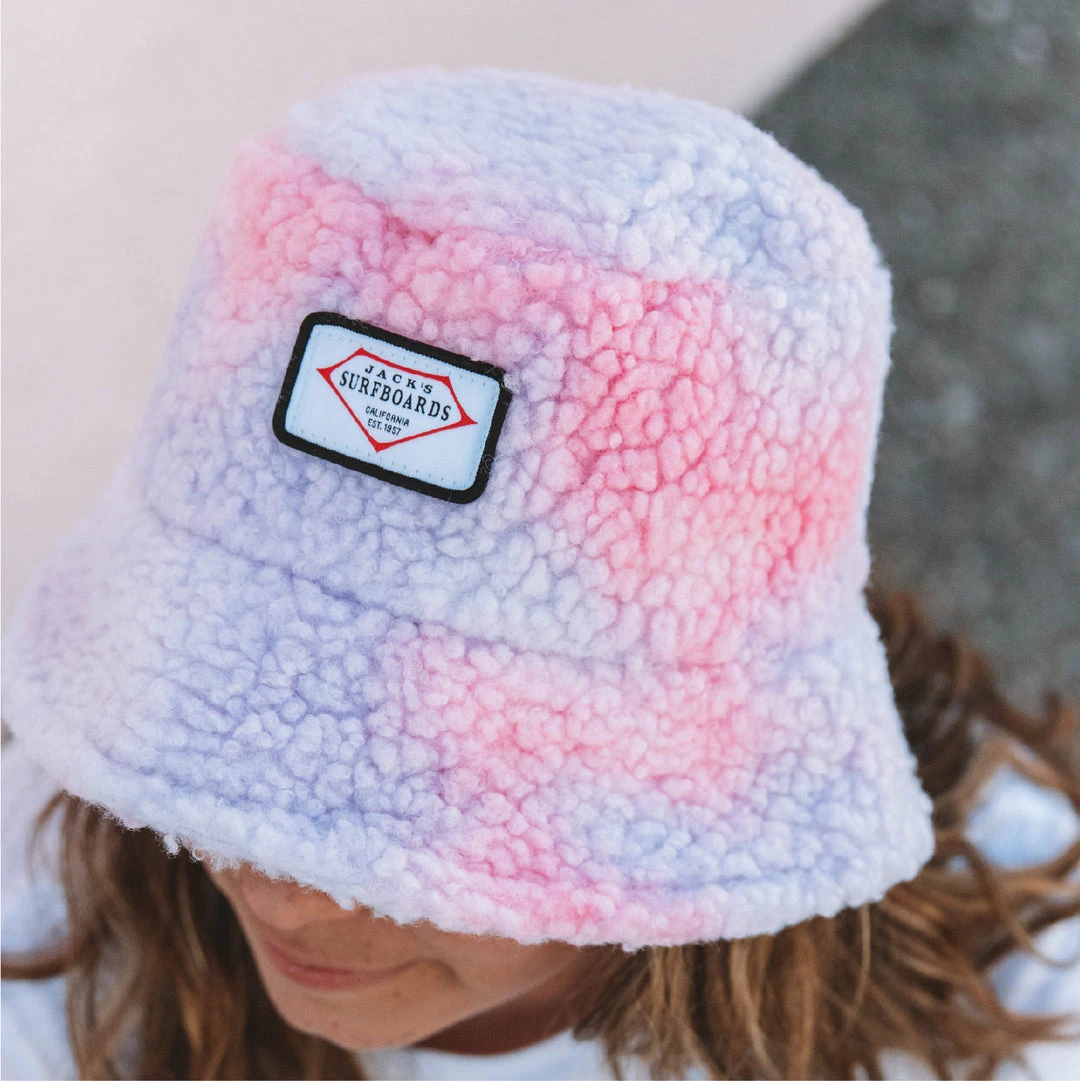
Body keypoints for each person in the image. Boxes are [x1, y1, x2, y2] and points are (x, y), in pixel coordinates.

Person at [2, 68, 1077, 1080]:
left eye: (413, 791)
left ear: (693, 782)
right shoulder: (45, 924)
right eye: (223, 716)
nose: (281, 894)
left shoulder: (1020, 982)